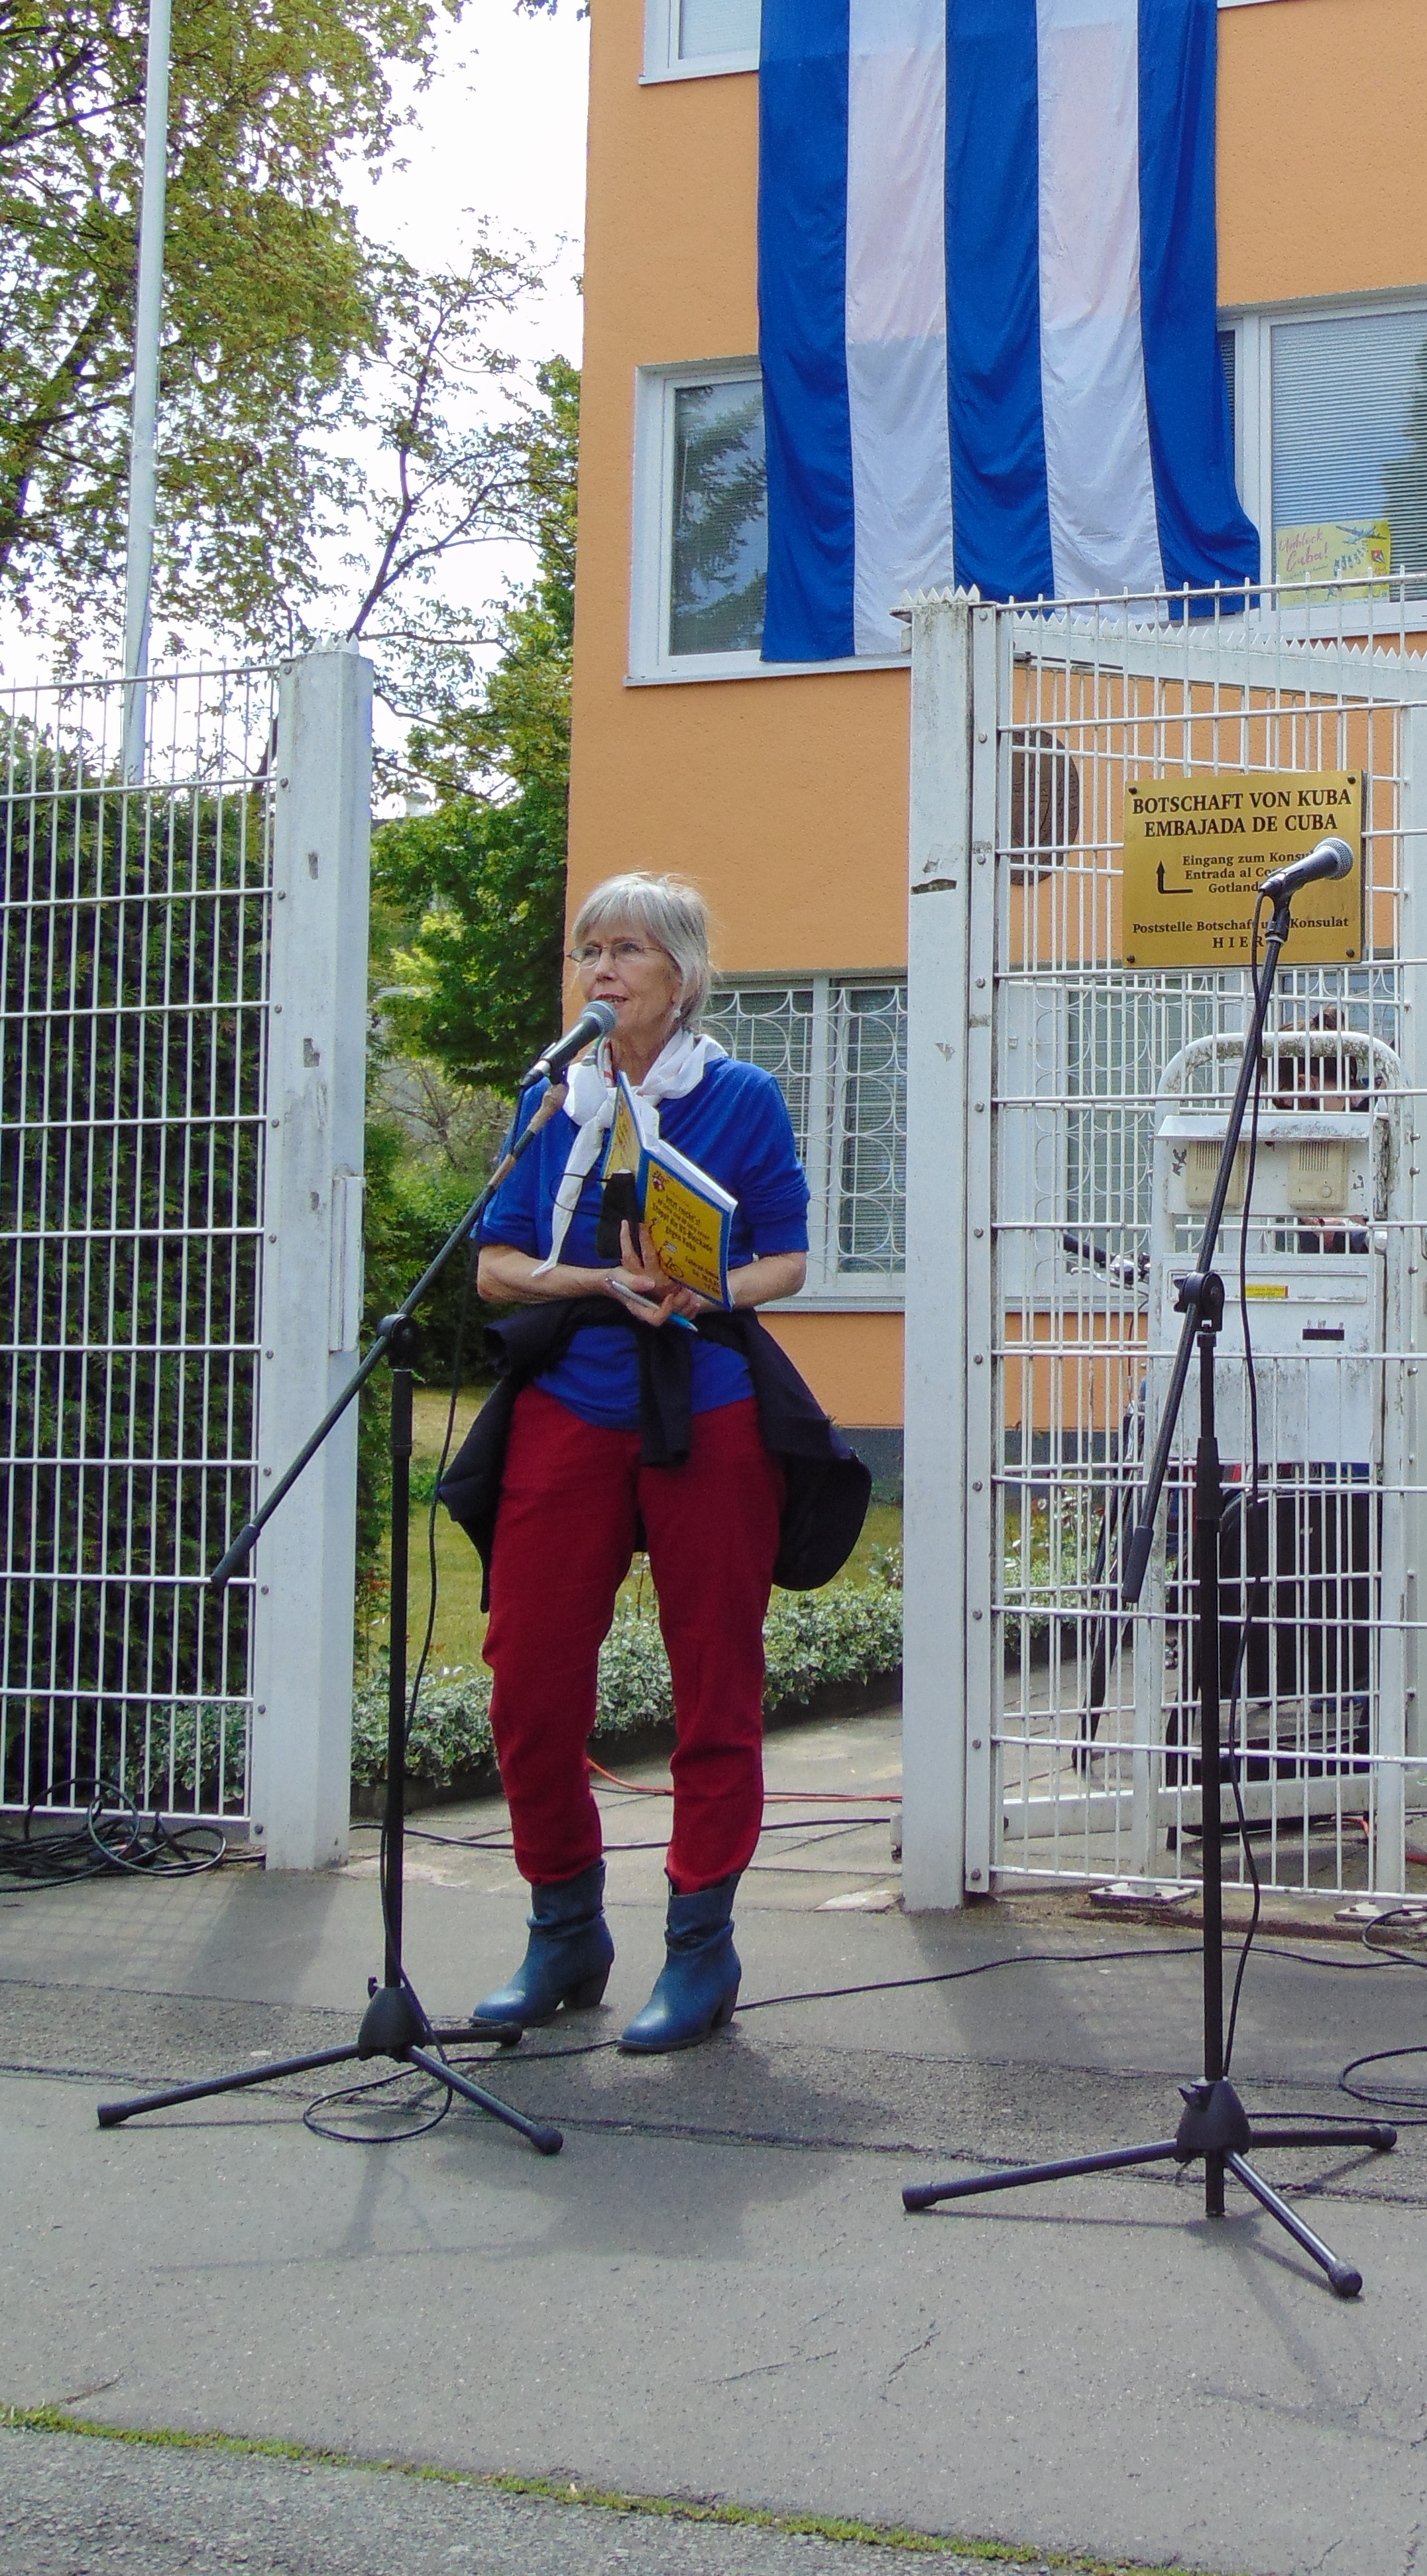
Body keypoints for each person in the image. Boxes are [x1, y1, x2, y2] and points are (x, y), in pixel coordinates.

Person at [467, 873, 813, 2053]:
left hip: (705, 1400)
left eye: (626, 950)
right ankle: (563, 1926)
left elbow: (788, 1261)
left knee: (713, 1677)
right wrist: (599, 1282)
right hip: (570, 1398)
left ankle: (698, 1948)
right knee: (527, 1675)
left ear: (681, 976)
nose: (599, 969)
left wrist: (697, 1288)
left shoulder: (741, 1095)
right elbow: (494, 1267)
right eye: (586, 950)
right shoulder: (544, 1098)